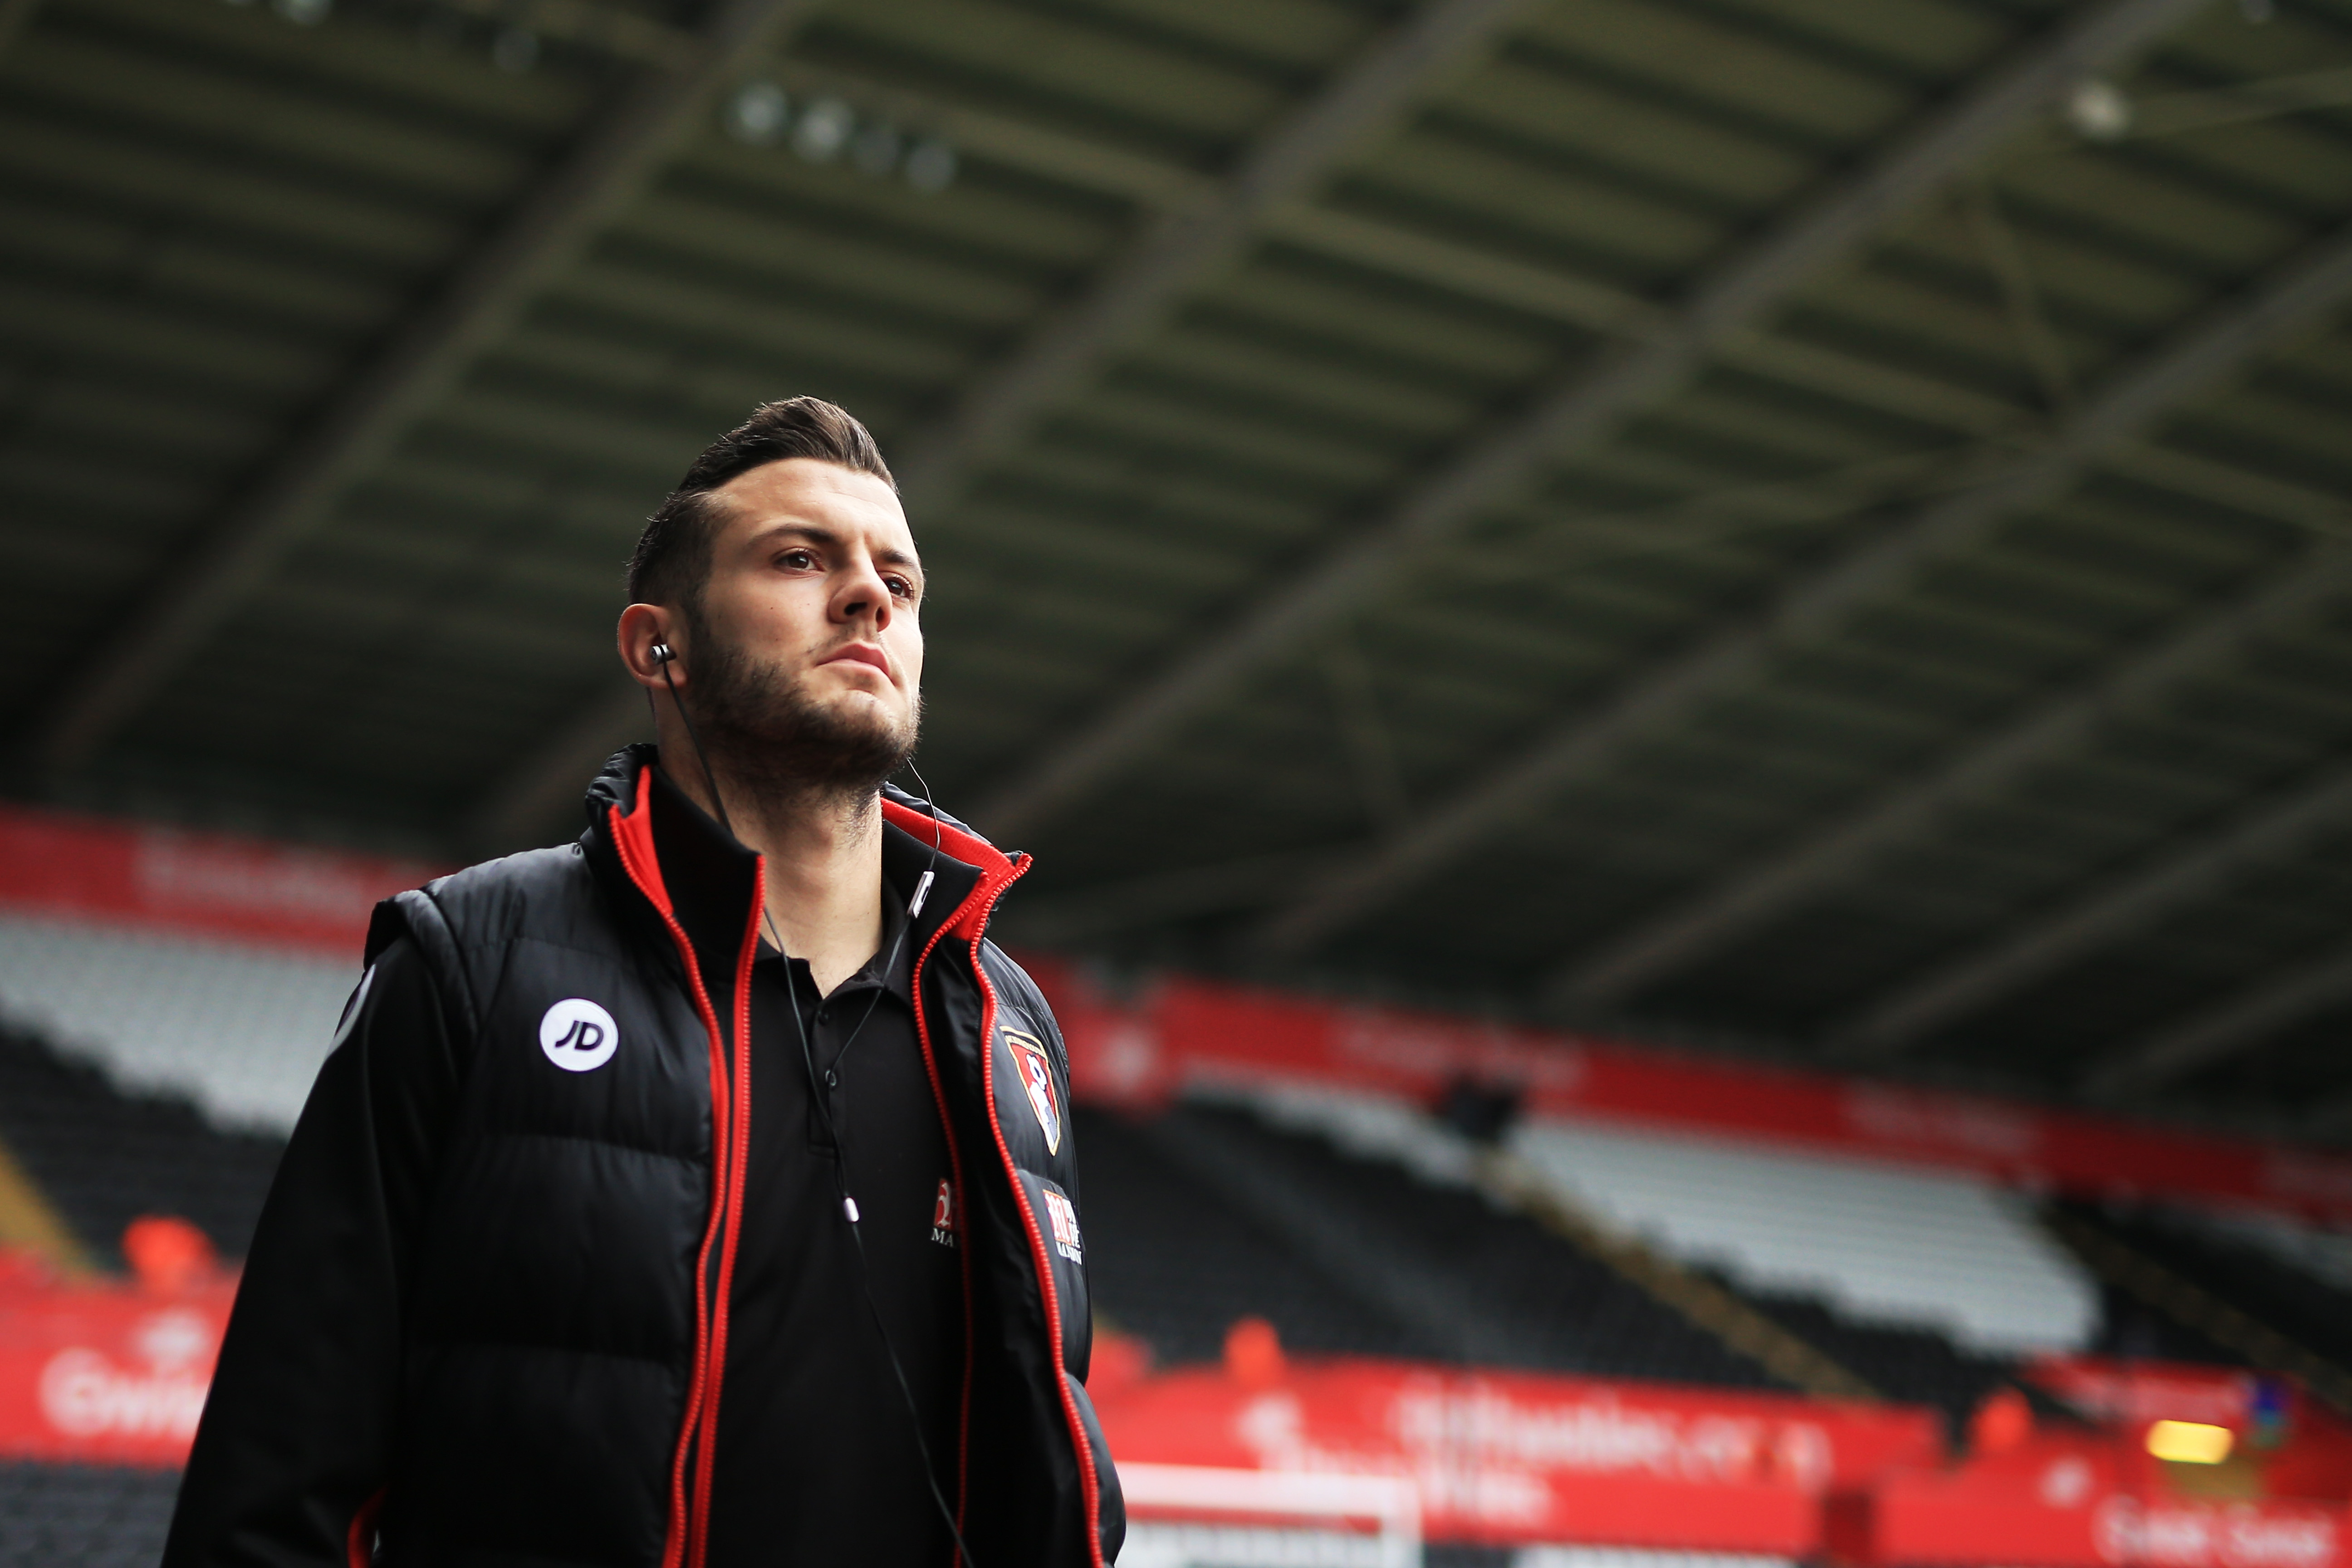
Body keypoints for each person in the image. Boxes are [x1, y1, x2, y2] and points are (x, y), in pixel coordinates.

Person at [162, 398, 1124, 1568]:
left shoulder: (1001, 1023)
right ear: (655, 645)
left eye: (900, 581)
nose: (870, 595)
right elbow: (277, 1482)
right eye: (800, 558)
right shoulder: (473, 957)